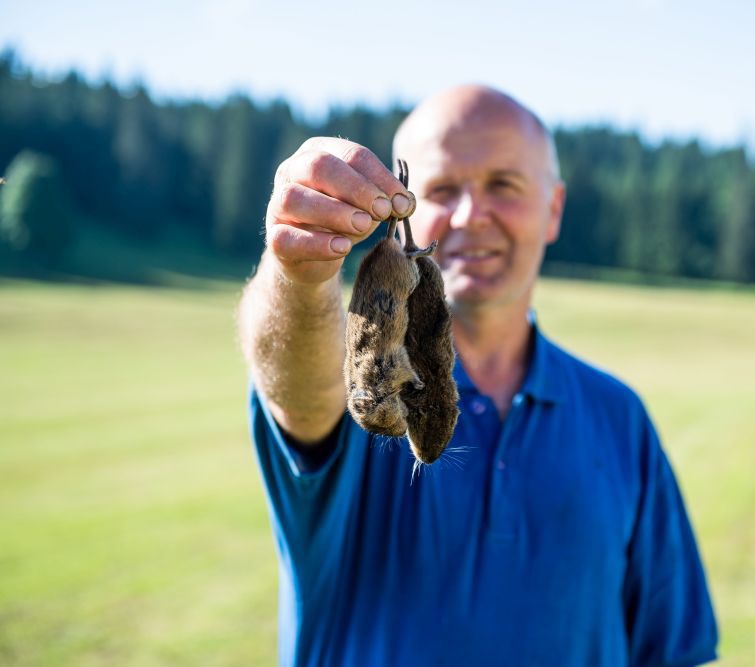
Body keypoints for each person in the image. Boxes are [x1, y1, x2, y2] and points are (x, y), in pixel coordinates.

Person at [238, 84, 718, 666]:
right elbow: (300, 387)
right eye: (441, 189)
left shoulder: (619, 418)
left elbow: (670, 650)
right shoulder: (370, 386)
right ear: (398, 201)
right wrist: (299, 272)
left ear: (554, 209)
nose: (470, 215)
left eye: (503, 185)